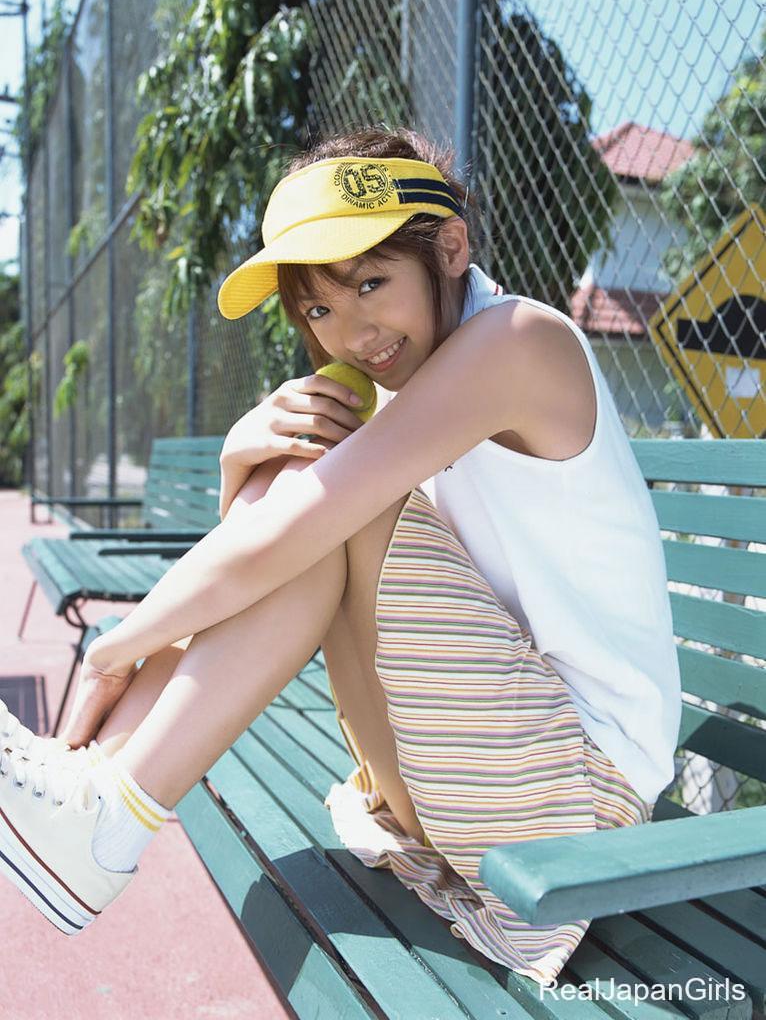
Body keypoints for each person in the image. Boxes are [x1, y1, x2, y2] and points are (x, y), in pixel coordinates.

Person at [0, 124, 681, 986]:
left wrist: (115, 646)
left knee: (325, 490)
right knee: (308, 456)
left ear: (451, 248)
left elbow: (300, 534)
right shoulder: (412, 386)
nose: (353, 334)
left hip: (579, 805)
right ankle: (98, 791)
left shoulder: (517, 341)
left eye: (369, 283)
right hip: (474, 777)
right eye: (320, 310)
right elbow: (282, 561)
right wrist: (239, 460)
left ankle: (107, 818)